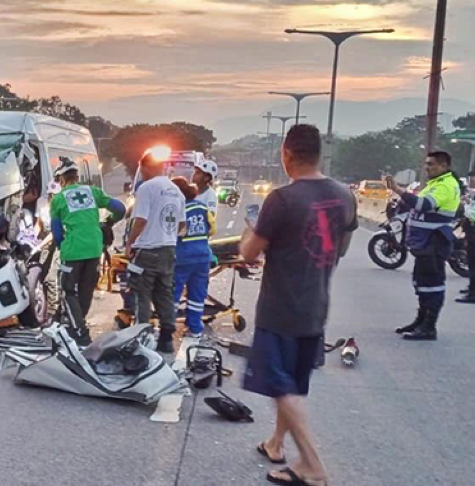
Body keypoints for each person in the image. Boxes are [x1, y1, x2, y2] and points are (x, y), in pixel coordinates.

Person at [240, 124, 357, 486]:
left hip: (281, 308)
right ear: (320, 153)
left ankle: (313, 465)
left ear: (285, 154)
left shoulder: (282, 199)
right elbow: (342, 247)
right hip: (316, 305)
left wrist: (250, 230)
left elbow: (248, 253)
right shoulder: (344, 195)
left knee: (281, 387)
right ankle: (276, 444)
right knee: (292, 381)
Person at [386, 151, 461, 340]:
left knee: (432, 284)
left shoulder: (446, 185)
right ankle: (420, 320)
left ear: (444, 166)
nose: (427, 167)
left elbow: (423, 205)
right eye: (426, 164)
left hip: (435, 242)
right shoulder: (433, 184)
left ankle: (429, 326)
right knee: (421, 283)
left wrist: (398, 189)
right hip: (424, 242)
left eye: (432, 164)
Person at [50, 157, 126, 345]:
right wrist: (109, 222)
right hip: (94, 249)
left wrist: (62, 246)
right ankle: (78, 323)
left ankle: (80, 332)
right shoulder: (93, 192)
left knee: (68, 292)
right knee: (85, 291)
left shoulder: (58, 199)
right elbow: (121, 209)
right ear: (77, 176)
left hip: (73, 251)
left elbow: (57, 233)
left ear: (61, 179)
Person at [126, 149, 186, 353]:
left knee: (142, 294)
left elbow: (140, 220)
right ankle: (166, 338)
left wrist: (130, 243)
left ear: (145, 167)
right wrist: (166, 235)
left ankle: (142, 337)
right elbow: (182, 224)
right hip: (169, 250)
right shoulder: (176, 190)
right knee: (164, 293)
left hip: (147, 250)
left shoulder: (146, 188)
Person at [171, 177, 216, 338]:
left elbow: (173, 232)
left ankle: (167, 330)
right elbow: (212, 229)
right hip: (203, 257)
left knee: (173, 294)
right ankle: (195, 328)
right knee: (197, 294)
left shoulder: (178, 210)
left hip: (183, 258)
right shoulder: (202, 207)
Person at [459, 169, 475, 304]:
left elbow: (472, 214)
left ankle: (473, 293)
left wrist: (466, 205)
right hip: (471, 230)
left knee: (473, 262)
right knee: (471, 262)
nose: (471, 181)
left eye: (473, 178)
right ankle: (471, 287)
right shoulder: (473, 193)